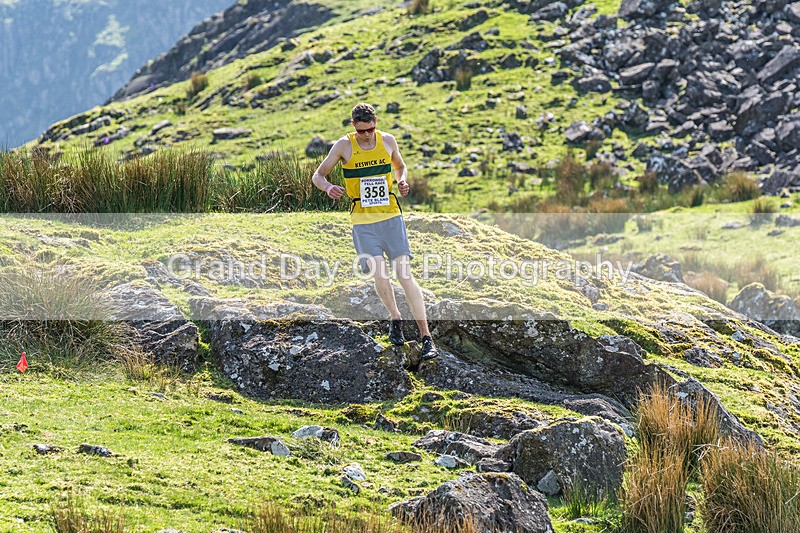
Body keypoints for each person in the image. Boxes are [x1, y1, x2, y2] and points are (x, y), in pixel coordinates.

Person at [311, 103, 437, 359]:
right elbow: (318, 175)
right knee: (380, 273)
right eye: (362, 131)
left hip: (391, 217)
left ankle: (426, 337)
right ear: (353, 126)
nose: (367, 135)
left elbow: (400, 166)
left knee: (404, 274)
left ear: (376, 123)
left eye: (371, 129)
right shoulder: (343, 146)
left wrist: (401, 180)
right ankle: (396, 318)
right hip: (363, 221)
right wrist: (328, 188)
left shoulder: (388, 141)